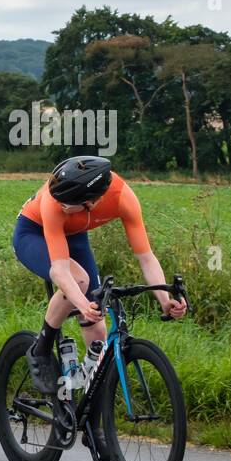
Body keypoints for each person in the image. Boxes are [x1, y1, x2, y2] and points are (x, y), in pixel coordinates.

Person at [14, 155, 187, 393]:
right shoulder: (52, 203)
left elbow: (146, 257)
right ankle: (40, 349)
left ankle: (92, 413)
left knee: (97, 331)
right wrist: (83, 305)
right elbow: (61, 271)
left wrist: (165, 300)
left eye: (68, 204)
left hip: (75, 236)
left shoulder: (122, 197)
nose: (62, 206)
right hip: (34, 233)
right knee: (79, 281)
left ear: (91, 202)